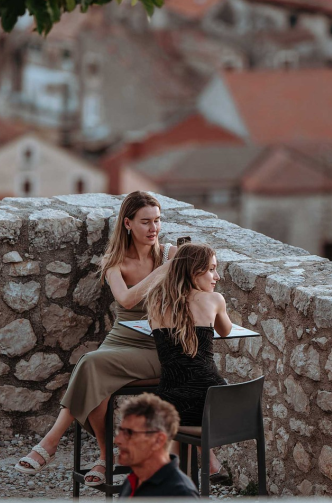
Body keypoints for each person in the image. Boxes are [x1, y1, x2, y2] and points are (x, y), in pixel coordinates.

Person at [14, 191, 174, 486]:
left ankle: (51, 442)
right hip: (121, 339)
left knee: (90, 364)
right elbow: (126, 300)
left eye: (157, 220)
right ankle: (105, 457)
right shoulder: (114, 261)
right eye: (145, 222)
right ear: (128, 223)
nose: (154, 228)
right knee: (97, 379)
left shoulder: (170, 255)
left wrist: (169, 269)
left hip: (157, 346)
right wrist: (163, 272)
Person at [146, 242, 230, 475]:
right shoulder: (215, 300)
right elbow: (226, 331)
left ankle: (179, 479)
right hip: (213, 402)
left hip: (169, 401)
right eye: (211, 269)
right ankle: (200, 471)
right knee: (193, 397)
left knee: (177, 412)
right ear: (194, 272)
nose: (217, 277)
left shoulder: (155, 301)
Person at [116, 393, 198, 498]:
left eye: (129, 433)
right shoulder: (132, 481)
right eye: (120, 431)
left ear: (158, 441)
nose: (117, 440)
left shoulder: (180, 494)